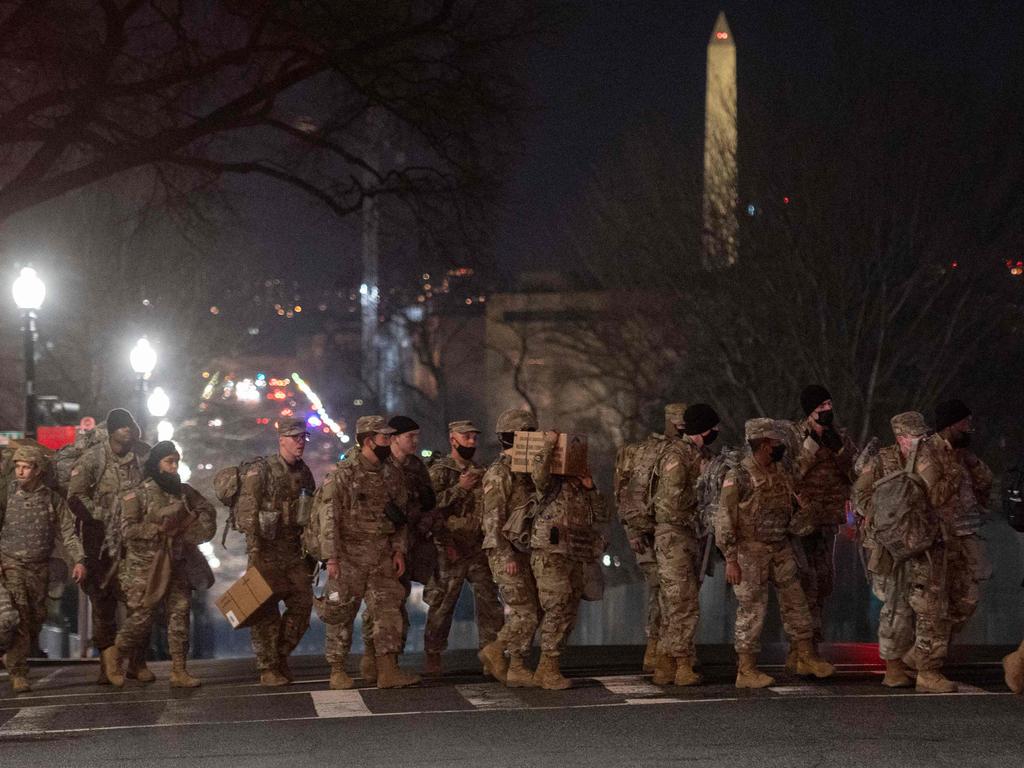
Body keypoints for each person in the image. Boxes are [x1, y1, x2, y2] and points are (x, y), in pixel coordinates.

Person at [716, 418, 834, 688]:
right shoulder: (740, 476)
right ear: (766, 444)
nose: (782, 447)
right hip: (750, 551)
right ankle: (746, 670)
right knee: (752, 610)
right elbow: (725, 519)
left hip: (780, 547)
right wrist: (731, 559)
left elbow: (795, 509)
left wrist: (805, 513)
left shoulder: (782, 472)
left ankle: (804, 656)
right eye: (778, 442)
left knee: (797, 602)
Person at [853, 411, 958, 693]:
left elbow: (936, 498)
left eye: (923, 436)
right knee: (895, 610)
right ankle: (895, 669)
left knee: (929, 607)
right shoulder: (879, 461)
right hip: (892, 548)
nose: (922, 440)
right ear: (901, 438)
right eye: (916, 436)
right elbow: (860, 497)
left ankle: (927, 670)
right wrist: (887, 520)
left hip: (923, 544)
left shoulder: (929, 460)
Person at [322, 415, 420, 690]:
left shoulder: (391, 474)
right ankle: (338, 670)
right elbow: (329, 518)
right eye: (384, 438)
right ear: (368, 441)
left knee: (388, 611)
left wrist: (399, 550)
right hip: (349, 557)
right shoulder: (343, 474)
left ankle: (387, 670)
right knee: (341, 612)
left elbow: (400, 517)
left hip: (382, 555)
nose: (389, 442)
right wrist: (332, 557)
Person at [112, 442, 216, 687]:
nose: (173, 467)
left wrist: (192, 532)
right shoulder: (137, 494)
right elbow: (127, 529)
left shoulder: (183, 492)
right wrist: (157, 530)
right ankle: (115, 656)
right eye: (168, 461)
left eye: (176, 462)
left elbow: (206, 510)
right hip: (147, 569)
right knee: (142, 618)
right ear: (156, 464)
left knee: (180, 615)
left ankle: (179, 670)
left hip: (177, 564)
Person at [234, 418, 316, 686]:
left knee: (303, 605)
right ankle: (268, 668)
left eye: (303, 437)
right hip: (266, 551)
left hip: (294, 552)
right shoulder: (262, 471)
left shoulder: (304, 473)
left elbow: (311, 512)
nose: (300, 442)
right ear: (282, 440)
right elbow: (247, 512)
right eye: (295, 438)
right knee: (266, 614)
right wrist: (255, 551)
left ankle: (280, 655)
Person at [68, 408, 144, 685]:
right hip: (100, 542)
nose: (128, 430)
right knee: (103, 603)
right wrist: (102, 514)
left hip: (134, 541)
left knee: (140, 601)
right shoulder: (93, 459)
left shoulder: (141, 457)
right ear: (112, 431)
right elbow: (74, 496)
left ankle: (137, 662)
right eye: (122, 427)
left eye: (130, 426)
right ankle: (107, 664)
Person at [0, 446, 86, 693]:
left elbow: (68, 532)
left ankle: (11, 655)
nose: (20, 471)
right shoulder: (7, 494)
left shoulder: (52, 500)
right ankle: (18, 673)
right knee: (21, 617)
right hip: (11, 564)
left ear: (38, 470)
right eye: (17, 467)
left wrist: (79, 559)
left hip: (40, 568)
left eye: (26, 467)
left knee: (36, 619)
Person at [422, 420, 503, 677]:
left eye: (474, 437)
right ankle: (433, 654)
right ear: (453, 439)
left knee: (489, 602)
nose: (471, 441)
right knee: (442, 604)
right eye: (466, 437)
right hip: (450, 548)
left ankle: (492, 655)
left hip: (478, 548)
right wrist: (460, 488)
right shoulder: (441, 471)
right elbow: (430, 508)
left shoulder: (483, 471)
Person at [360, 415, 436, 681]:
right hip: (384, 545)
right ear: (394, 439)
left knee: (396, 599)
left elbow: (428, 502)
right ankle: (378, 660)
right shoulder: (381, 467)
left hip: (410, 541)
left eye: (417, 436)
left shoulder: (415, 466)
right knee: (384, 603)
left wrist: (425, 522)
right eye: (410, 437)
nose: (415, 442)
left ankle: (382, 661)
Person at [529, 430, 607, 689]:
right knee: (558, 606)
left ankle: (546, 667)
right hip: (551, 554)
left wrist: (591, 487)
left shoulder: (583, 490)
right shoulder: (551, 484)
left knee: (569, 612)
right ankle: (549, 668)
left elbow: (603, 515)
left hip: (576, 554)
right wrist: (550, 444)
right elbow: (537, 473)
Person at [787, 385, 857, 669]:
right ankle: (803, 649)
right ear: (810, 410)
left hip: (828, 520)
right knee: (806, 583)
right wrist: (812, 445)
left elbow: (855, 472)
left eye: (830, 403)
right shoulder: (793, 436)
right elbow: (790, 473)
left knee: (824, 582)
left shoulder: (839, 435)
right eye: (822, 405)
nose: (827, 409)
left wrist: (838, 448)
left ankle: (810, 646)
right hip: (802, 521)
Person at [613, 403, 686, 673]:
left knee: (674, 592)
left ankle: (669, 648)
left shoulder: (689, 451)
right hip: (648, 531)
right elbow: (626, 493)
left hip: (678, 533)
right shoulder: (641, 452)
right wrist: (632, 531)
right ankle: (658, 647)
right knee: (662, 588)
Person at [651, 403, 720, 687]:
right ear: (703, 429)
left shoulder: (697, 455)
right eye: (713, 428)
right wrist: (702, 505)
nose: (717, 432)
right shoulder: (677, 456)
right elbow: (670, 503)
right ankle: (681, 665)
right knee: (682, 602)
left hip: (688, 537)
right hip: (675, 537)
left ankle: (665, 665)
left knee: (676, 603)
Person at [479, 408, 541, 687]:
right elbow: (493, 520)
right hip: (508, 553)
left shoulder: (527, 472)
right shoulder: (499, 472)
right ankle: (501, 654)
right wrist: (507, 555)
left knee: (532, 611)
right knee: (524, 611)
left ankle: (512, 662)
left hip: (526, 551)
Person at [930, 399, 993, 638]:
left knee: (969, 598)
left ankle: (937, 645)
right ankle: (925, 654)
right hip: (942, 536)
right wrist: (955, 467)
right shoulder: (931, 453)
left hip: (968, 534)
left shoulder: (964, 454)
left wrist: (971, 461)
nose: (968, 427)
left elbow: (986, 481)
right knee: (936, 600)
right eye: (964, 422)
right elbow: (933, 496)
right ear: (950, 425)